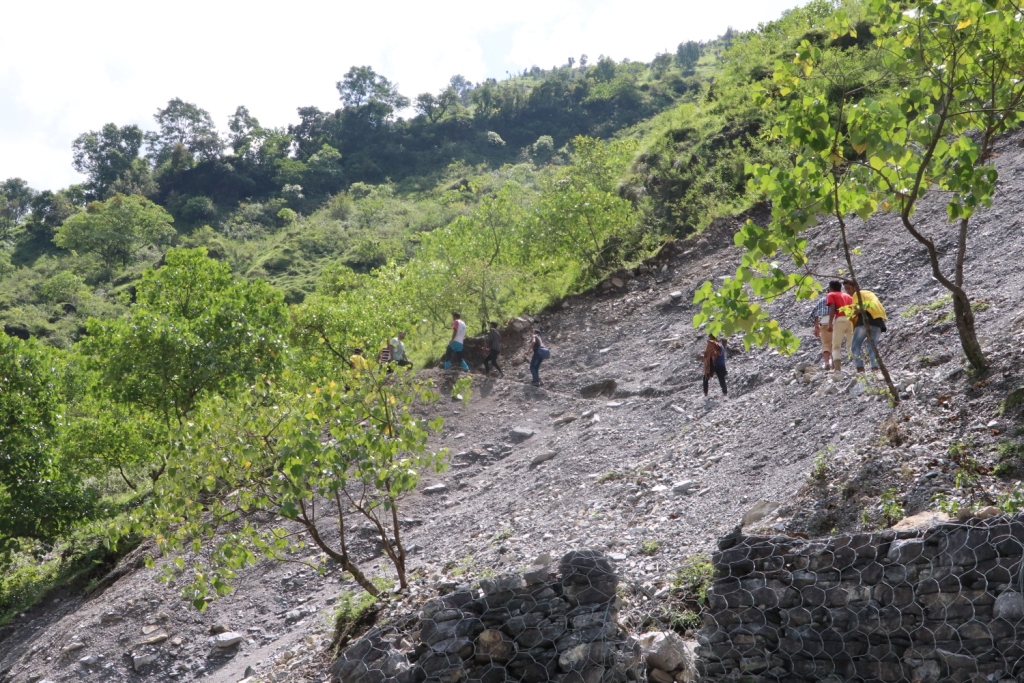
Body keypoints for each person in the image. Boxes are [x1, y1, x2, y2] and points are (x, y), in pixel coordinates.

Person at [843, 280, 888, 373]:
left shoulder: (857, 294)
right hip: (878, 322)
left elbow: (857, 309)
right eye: (845, 289)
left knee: (855, 347)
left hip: (865, 320)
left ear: (855, 287)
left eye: (848, 288)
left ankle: (860, 369)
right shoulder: (869, 293)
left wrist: (850, 314)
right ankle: (875, 368)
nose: (847, 291)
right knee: (872, 347)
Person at [826, 280, 854, 372]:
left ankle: (837, 369)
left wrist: (830, 323)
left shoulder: (831, 295)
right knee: (850, 345)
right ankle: (857, 367)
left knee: (836, 346)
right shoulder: (848, 296)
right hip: (850, 320)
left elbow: (833, 308)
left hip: (840, 319)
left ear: (831, 288)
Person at [809, 294, 832, 371]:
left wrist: (816, 327)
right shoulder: (839, 298)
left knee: (826, 343)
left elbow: (816, 314)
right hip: (836, 322)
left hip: (824, 323)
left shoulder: (822, 300)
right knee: (835, 344)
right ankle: (835, 364)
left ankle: (827, 362)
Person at [701, 333, 728, 398]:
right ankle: (725, 393)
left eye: (709, 337)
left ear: (711, 337)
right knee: (721, 379)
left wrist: (704, 356)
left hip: (713, 363)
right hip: (721, 364)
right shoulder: (720, 346)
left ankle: (705, 394)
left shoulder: (711, 344)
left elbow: (709, 354)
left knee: (705, 378)